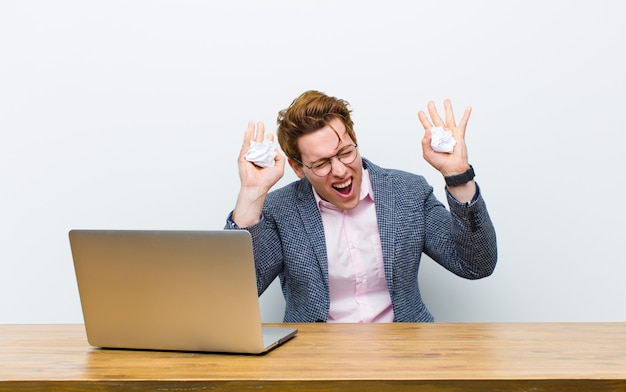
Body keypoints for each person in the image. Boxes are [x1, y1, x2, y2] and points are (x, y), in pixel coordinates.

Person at [225, 90, 497, 322]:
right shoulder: (280, 210)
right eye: (321, 164)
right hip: (316, 363)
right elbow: (235, 294)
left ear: (354, 137)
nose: (340, 170)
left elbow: (476, 265)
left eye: (345, 152)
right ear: (297, 168)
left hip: (406, 356)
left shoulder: (408, 193)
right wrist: (252, 194)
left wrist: (458, 176)